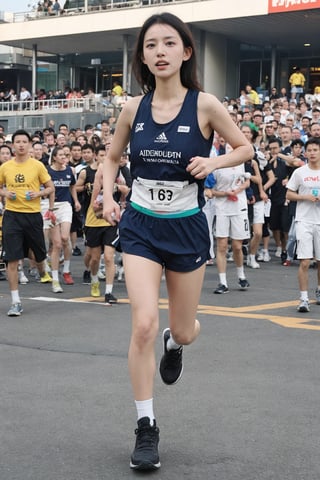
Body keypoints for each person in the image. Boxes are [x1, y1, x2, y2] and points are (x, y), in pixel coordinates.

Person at [102, 12, 252, 471]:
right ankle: (146, 427)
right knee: (143, 323)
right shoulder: (133, 108)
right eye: (151, 45)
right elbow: (111, 158)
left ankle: (177, 343)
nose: (160, 52)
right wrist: (108, 196)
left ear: (186, 51)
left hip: (186, 225)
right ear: (142, 57)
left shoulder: (205, 104)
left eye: (169, 43)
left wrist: (214, 163)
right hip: (142, 226)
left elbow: (245, 147)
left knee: (181, 329)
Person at [0, 129, 55, 316]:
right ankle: (16, 301)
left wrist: (38, 193)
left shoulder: (37, 166)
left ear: (30, 144)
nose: (21, 145)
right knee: (12, 260)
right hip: (12, 216)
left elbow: (50, 187)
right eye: (18, 142)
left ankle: (42, 268)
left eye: (25, 142)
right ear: (13, 145)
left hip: (32, 216)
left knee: (39, 255)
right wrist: (5, 193)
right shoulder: (5, 167)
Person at [286, 137, 320, 312]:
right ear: (305, 153)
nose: (312, 153)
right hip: (304, 220)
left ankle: (319, 290)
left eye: (316, 150)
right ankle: (304, 298)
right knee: (305, 261)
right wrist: (305, 197)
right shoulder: (300, 172)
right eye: (310, 150)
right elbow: (289, 195)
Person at [47, 146, 81, 293]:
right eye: (60, 155)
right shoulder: (47, 171)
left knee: (65, 238)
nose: (63, 157)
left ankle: (66, 270)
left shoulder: (69, 170)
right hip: (51, 206)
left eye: (65, 155)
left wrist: (76, 201)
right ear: (54, 157)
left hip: (66, 205)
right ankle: (55, 279)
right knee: (57, 244)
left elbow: (72, 186)